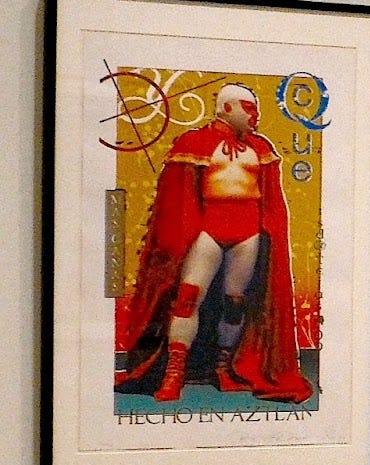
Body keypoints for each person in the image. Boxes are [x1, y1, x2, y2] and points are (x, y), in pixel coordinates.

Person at [114, 83, 314, 403]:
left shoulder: (261, 147)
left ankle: (223, 368)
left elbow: (271, 201)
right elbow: (177, 198)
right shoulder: (194, 143)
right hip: (208, 231)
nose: (255, 115)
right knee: (187, 299)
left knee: (235, 303)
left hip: (248, 235)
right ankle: (173, 374)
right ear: (227, 108)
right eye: (248, 108)